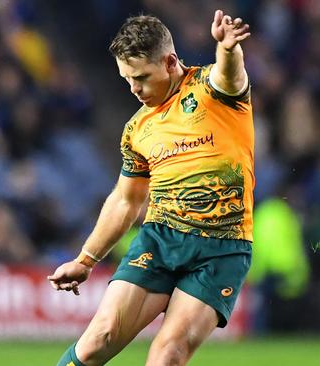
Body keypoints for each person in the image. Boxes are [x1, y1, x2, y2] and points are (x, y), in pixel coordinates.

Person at [48, 10, 254, 366]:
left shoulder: (212, 90)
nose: (134, 89)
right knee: (100, 339)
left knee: (167, 354)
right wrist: (85, 260)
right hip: (160, 240)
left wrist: (228, 50)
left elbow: (230, 75)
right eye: (127, 79)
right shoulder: (137, 129)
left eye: (141, 77)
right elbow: (126, 200)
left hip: (221, 249)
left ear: (170, 61)